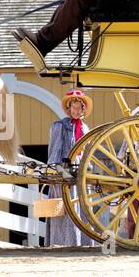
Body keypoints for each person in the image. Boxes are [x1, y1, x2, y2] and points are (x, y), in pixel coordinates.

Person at [44, 89, 98, 247]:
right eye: (73, 108)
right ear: (69, 109)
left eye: (79, 108)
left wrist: (89, 169)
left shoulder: (86, 129)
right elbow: (54, 152)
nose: (76, 111)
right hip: (65, 170)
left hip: (81, 171)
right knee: (65, 209)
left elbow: (88, 152)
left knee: (82, 207)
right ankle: (63, 242)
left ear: (83, 110)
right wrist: (55, 172)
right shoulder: (59, 126)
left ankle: (83, 242)